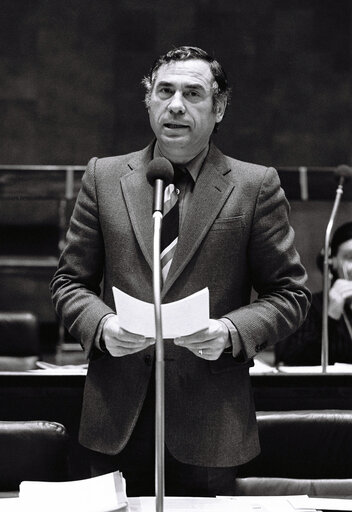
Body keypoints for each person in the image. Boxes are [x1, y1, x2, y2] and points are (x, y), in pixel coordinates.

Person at [50, 46, 310, 497]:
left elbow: (290, 295)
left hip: (210, 425)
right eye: (164, 91)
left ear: (219, 107)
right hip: (114, 420)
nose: (176, 105)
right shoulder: (104, 178)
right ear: (148, 101)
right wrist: (101, 323)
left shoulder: (254, 186)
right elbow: (69, 283)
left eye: (193, 93)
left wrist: (231, 330)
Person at [276, 221, 352, 366]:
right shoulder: (311, 307)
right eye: (350, 257)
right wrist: (331, 315)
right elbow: (290, 358)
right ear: (332, 262)